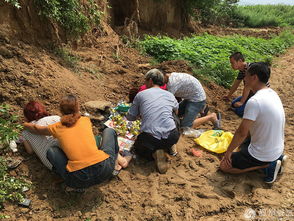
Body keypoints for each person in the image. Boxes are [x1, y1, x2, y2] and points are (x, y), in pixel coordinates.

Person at [23, 95, 126, 191]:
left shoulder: (57, 127)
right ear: (78, 108)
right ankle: (115, 166)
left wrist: (25, 124)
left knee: (52, 151)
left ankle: (69, 183)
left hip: (78, 179)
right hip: (105, 170)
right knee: (109, 131)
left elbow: (36, 129)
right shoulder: (85, 120)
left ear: (61, 111)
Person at [220, 62, 286, 183]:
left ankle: (267, 165)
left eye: (247, 75)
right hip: (277, 148)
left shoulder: (254, 101)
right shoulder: (272, 93)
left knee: (224, 166)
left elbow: (241, 132)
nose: (244, 78)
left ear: (254, 77)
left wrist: (228, 152)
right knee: (241, 146)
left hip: (264, 154)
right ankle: (277, 157)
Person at [126, 69, 179, 174]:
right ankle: (169, 147)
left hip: (150, 140)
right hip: (173, 136)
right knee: (173, 115)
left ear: (150, 81)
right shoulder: (170, 95)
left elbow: (130, 117)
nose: (145, 83)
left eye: (145, 81)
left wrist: (141, 113)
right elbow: (176, 111)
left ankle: (153, 154)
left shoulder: (141, 94)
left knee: (138, 148)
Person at [22, 101, 60, 170]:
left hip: (54, 166)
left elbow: (30, 151)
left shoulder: (25, 132)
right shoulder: (56, 118)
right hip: (72, 155)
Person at [224, 52, 252, 117]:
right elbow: (235, 84)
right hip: (250, 95)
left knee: (239, 111)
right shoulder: (242, 71)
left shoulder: (250, 69)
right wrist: (228, 96)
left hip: (256, 95)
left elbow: (248, 87)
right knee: (233, 103)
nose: (231, 65)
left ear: (240, 61)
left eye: (232, 63)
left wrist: (242, 102)